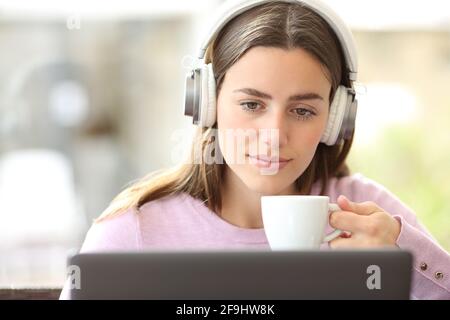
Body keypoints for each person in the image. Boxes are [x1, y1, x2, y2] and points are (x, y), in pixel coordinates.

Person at [60, 0, 450, 299]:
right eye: (251, 105)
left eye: (302, 110)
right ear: (207, 104)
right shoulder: (134, 232)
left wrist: (408, 255)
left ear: (335, 118)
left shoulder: (371, 216)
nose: (274, 135)